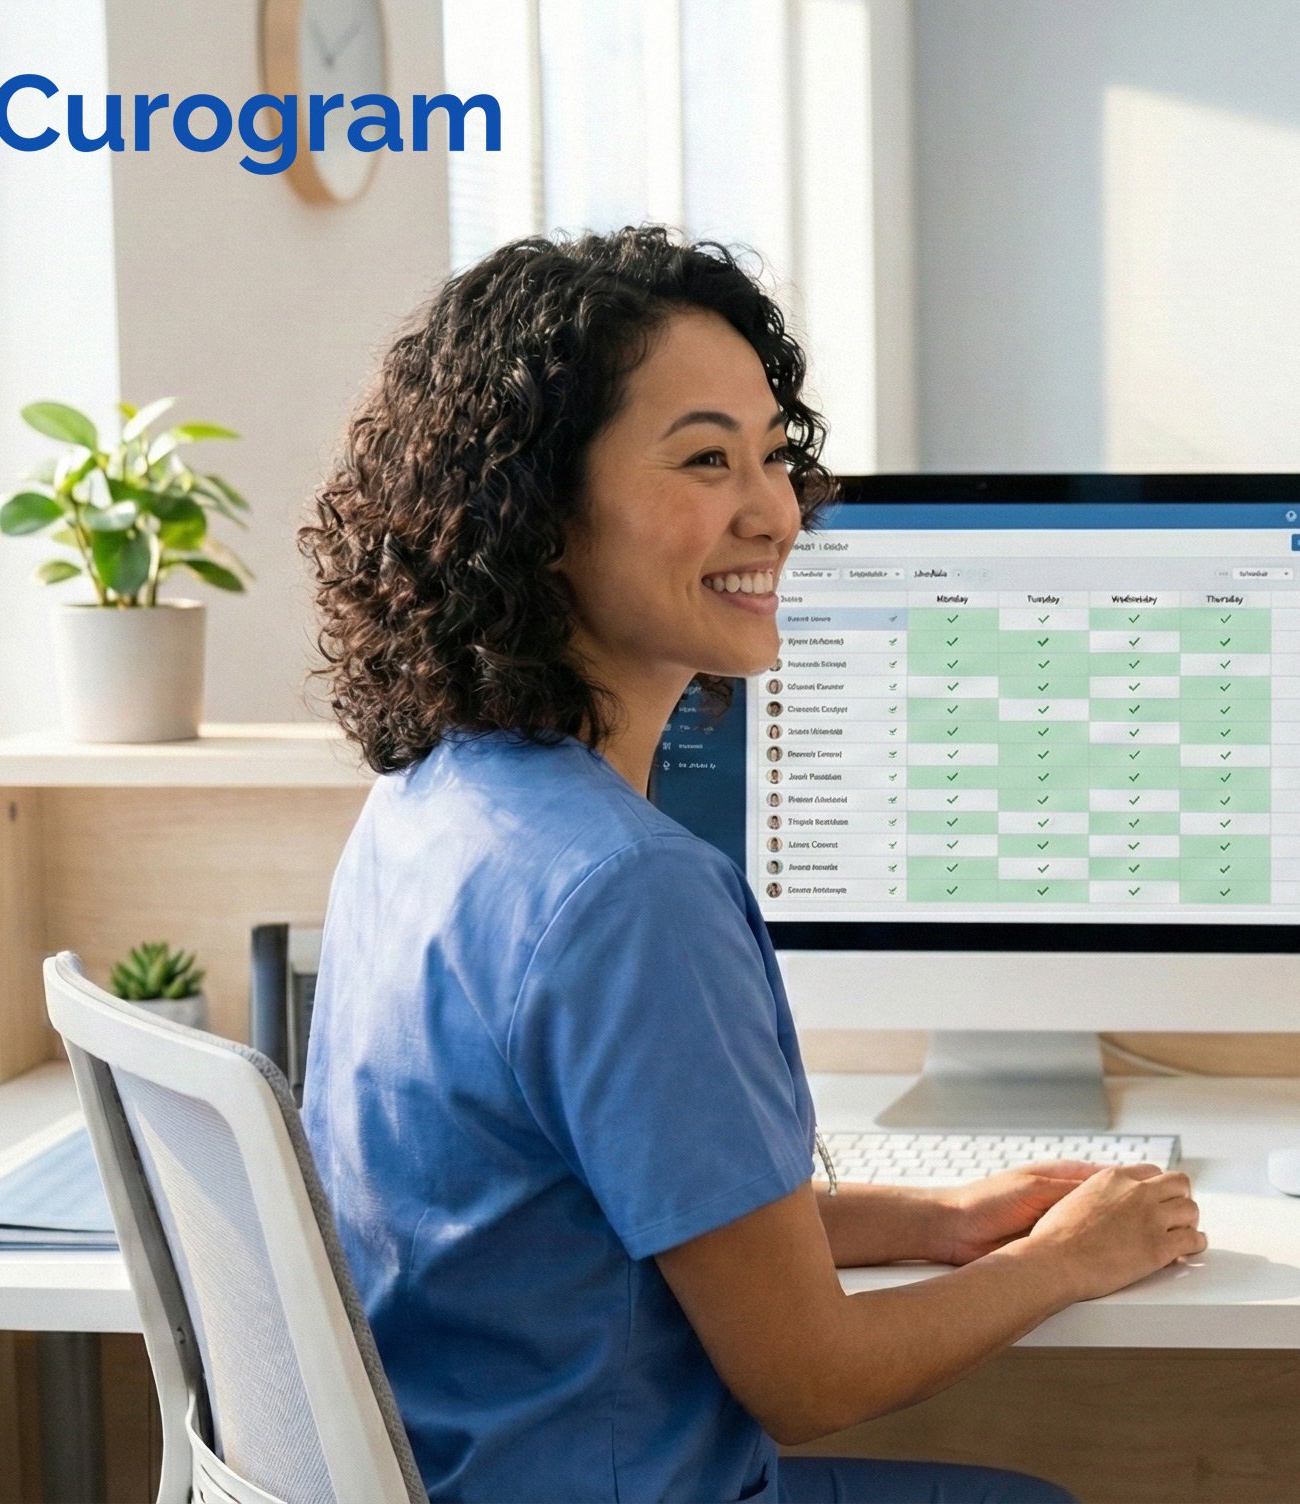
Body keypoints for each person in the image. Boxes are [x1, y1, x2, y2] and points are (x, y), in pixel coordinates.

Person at [299, 228, 1198, 1503]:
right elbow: (809, 1379)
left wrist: (937, 1222)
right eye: (705, 459)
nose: (774, 510)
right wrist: (1066, 1260)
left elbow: (597, 1228)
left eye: (774, 457)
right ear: (535, 509)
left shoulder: (427, 801)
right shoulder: (627, 892)